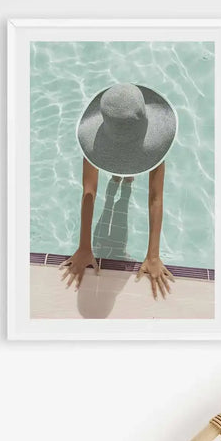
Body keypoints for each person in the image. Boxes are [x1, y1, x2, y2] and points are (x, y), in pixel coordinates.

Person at [60, 82, 178, 300]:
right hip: (124, 142)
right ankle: (120, 175)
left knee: (124, 177)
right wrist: (84, 247)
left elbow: (154, 197)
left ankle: (123, 177)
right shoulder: (148, 145)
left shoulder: (151, 145)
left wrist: (153, 255)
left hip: (124, 142)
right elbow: (90, 192)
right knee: (121, 175)